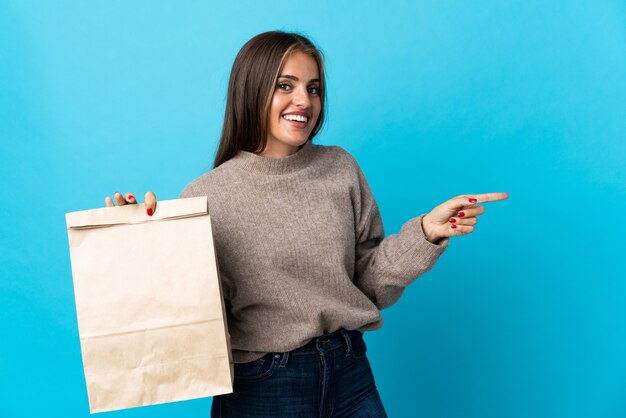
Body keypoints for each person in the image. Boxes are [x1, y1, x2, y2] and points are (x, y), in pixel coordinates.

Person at [104, 31, 509, 418]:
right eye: (286, 85)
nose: (304, 100)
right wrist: (141, 239)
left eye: (313, 88)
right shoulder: (206, 196)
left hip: (350, 372)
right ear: (252, 90)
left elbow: (366, 284)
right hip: (264, 389)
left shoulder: (340, 168)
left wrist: (425, 233)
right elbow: (183, 318)